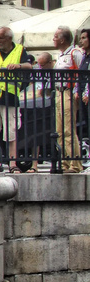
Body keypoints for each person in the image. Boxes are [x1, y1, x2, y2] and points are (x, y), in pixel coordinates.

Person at [0, 26, 30, 172]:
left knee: (11, 130)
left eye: (1, 38)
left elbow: (29, 65)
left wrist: (18, 65)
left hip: (10, 96)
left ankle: (12, 163)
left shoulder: (19, 50)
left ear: (9, 38)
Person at [52, 27, 84, 173]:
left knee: (68, 129)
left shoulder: (74, 53)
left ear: (62, 39)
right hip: (59, 92)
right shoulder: (60, 55)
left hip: (68, 92)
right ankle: (64, 162)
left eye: (55, 37)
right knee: (60, 131)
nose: (53, 39)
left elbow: (82, 72)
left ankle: (75, 164)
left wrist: (78, 90)